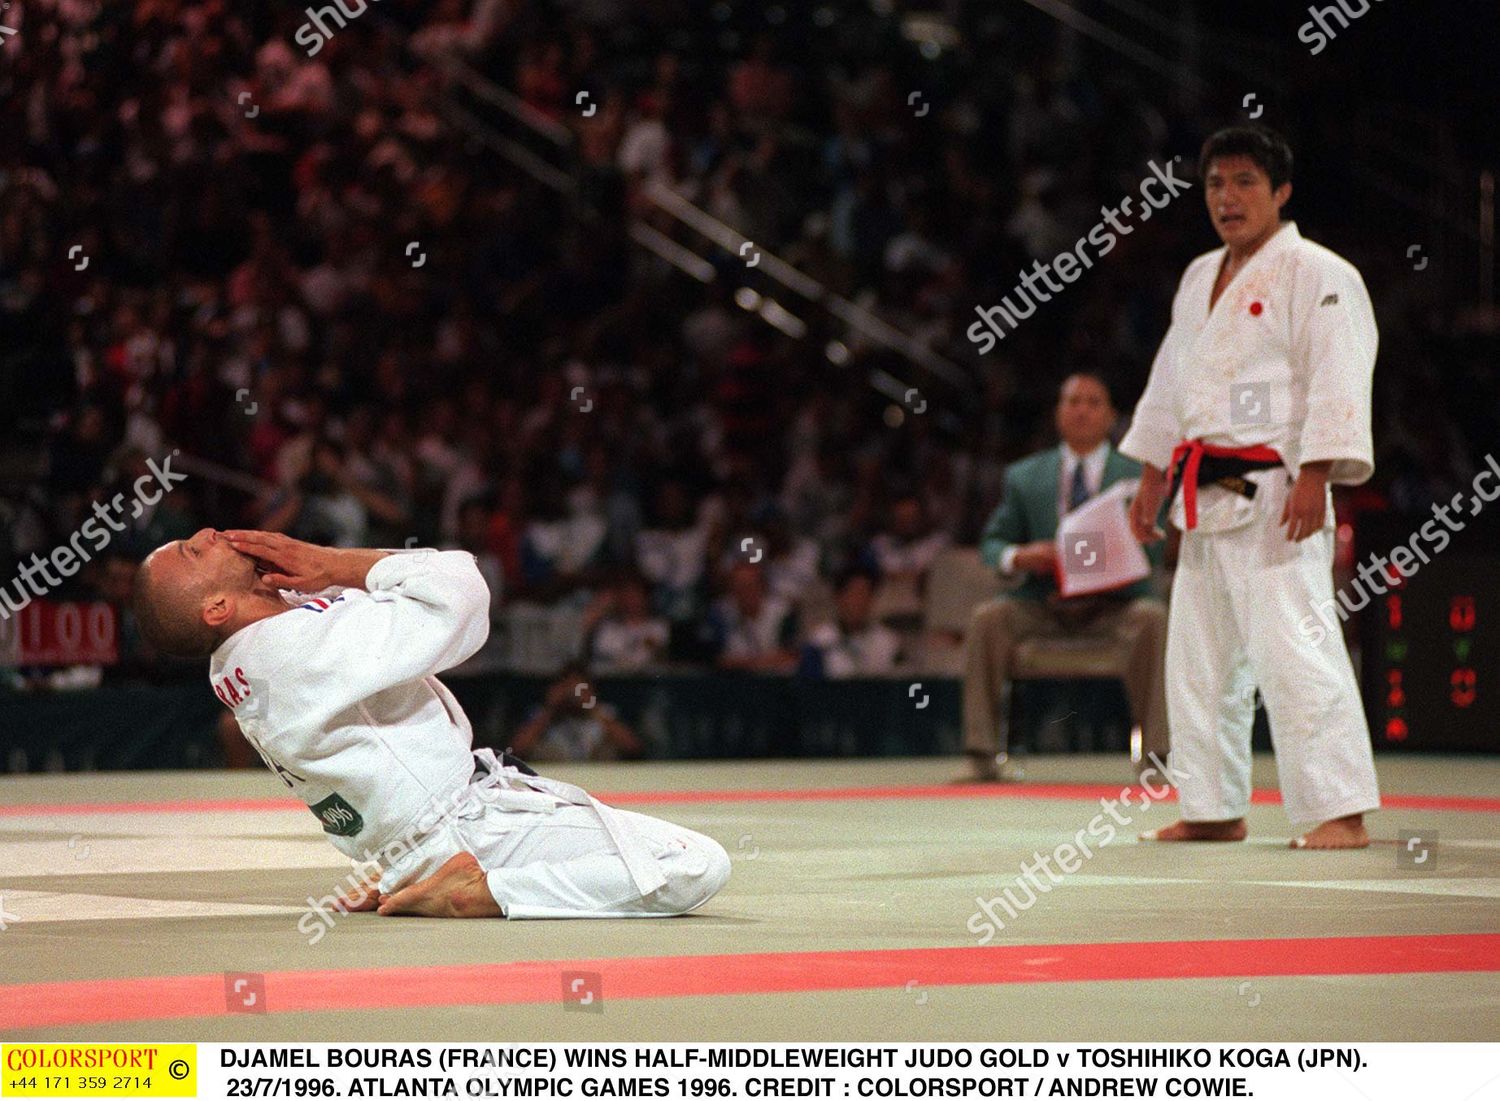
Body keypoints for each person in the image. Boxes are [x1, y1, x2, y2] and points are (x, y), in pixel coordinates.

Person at [131, 528, 729, 918]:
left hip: (414, 839)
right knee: (694, 865)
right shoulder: (293, 648)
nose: (206, 534)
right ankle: (479, 893)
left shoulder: (249, 657)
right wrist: (337, 563)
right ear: (216, 608)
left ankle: (421, 876)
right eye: (192, 550)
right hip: (464, 830)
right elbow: (461, 596)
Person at [1121, 125, 1380, 850]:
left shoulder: (1320, 273)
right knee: (1198, 661)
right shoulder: (1200, 276)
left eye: (1244, 184)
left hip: (1278, 490)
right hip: (1203, 493)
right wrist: (1150, 474)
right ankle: (1211, 806)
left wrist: (1318, 473)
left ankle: (1339, 811)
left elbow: (1339, 374)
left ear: (1282, 192)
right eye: (1214, 185)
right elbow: (1171, 384)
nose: (1227, 199)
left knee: (1297, 649)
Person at [959, 373, 1168, 783]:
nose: (1082, 410)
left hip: (1116, 605)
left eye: (1093, 402)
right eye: (1073, 401)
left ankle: (1158, 757)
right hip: (1045, 601)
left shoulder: (1137, 474)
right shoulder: (1025, 476)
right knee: (988, 619)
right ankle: (981, 754)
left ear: (1110, 415)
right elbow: (992, 543)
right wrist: (1021, 556)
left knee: (1154, 618)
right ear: (1059, 413)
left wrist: (1118, 554)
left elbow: (1156, 544)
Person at [511, 661, 646, 762]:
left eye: (579, 688)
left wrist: (591, 706)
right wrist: (551, 709)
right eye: (569, 688)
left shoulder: (604, 712)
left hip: (598, 775)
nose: (574, 695)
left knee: (607, 750)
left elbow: (633, 748)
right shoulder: (541, 714)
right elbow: (516, 749)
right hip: (557, 776)